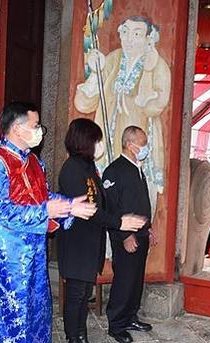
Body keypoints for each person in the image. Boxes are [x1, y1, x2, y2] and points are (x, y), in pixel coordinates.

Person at [0, 103, 97, 343]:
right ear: (17, 128)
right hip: (4, 256)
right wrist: (47, 210)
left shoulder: (34, 161)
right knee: (4, 317)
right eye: (35, 125)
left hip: (32, 252)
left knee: (34, 311)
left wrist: (69, 206)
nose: (39, 131)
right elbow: (1, 211)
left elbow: (44, 196)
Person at [57, 119, 146, 343]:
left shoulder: (89, 167)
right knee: (75, 296)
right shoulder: (72, 169)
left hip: (90, 242)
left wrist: (119, 219)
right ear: (84, 141)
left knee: (84, 295)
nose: (99, 145)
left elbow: (102, 203)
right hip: (77, 243)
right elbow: (90, 210)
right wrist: (120, 222)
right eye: (95, 141)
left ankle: (82, 340)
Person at [75, 16, 171, 217]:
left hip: (136, 143)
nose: (129, 38)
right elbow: (84, 103)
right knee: (105, 196)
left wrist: (145, 100)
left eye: (137, 34)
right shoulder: (112, 59)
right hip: (107, 139)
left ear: (148, 38)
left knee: (135, 199)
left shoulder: (156, 65)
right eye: (125, 31)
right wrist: (95, 74)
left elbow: (159, 102)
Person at [102, 125, 155, 343]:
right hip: (126, 237)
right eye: (142, 143)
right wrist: (124, 235)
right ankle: (116, 324)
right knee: (124, 280)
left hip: (141, 234)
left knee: (136, 280)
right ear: (130, 144)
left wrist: (148, 228)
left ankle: (131, 316)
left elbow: (140, 202)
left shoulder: (136, 168)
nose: (145, 147)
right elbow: (112, 208)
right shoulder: (115, 171)